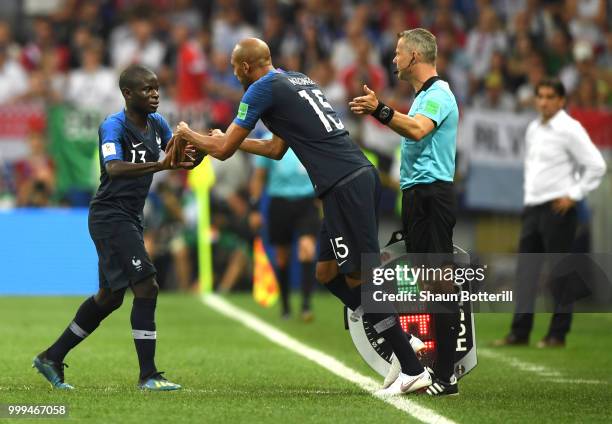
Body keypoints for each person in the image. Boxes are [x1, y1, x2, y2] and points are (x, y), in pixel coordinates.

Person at [173, 37, 429, 395]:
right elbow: (276, 149)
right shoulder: (295, 79)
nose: (233, 74)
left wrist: (188, 133)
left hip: (343, 185)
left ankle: (412, 367)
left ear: (246, 66)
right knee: (326, 271)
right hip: (353, 178)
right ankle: (402, 342)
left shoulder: (260, 89)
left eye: (234, 67)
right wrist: (217, 138)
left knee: (360, 277)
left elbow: (223, 150)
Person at [32, 64, 203, 391]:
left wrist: (197, 148)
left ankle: (51, 357)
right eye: (146, 89)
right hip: (110, 215)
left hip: (130, 217)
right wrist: (161, 164)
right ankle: (149, 375)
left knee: (110, 297)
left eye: (156, 88)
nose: (155, 94)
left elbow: (178, 156)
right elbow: (113, 167)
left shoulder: (158, 123)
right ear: (127, 94)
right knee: (147, 285)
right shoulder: (114, 126)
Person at [350, 28, 461, 396]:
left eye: (398, 53)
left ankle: (446, 375)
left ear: (415, 56)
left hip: (432, 196)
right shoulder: (421, 97)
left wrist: (379, 109)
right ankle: (443, 371)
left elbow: (417, 131)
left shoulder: (438, 95)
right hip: (416, 196)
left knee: (439, 282)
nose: (393, 58)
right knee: (429, 284)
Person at [494, 78, 606, 348]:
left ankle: (558, 334)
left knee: (559, 273)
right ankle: (520, 332)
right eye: (540, 96)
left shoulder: (570, 129)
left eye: (549, 97)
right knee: (526, 272)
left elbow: (597, 165)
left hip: (558, 208)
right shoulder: (534, 128)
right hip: (533, 208)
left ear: (561, 100)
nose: (543, 101)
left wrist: (574, 195)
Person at [249, 136, 319, 322]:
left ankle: (305, 305)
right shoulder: (268, 141)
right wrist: (255, 208)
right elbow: (259, 176)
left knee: (307, 249)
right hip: (280, 203)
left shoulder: (307, 137)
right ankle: (286, 306)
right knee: (282, 255)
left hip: (306, 203)